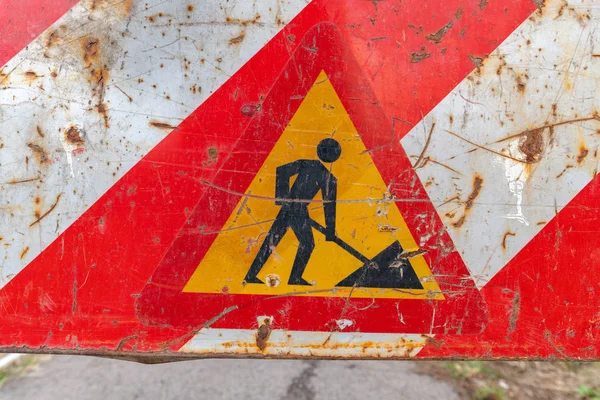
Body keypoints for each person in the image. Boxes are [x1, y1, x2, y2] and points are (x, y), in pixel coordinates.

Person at [244, 138, 342, 285]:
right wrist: (283, 199)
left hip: (299, 210)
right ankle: (292, 278)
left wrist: (330, 231)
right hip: (291, 208)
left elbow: (329, 205)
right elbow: (282, 171)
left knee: (275, 240)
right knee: (299, 243)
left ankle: (253, 276)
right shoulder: (309, 165)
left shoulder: (328, 177)